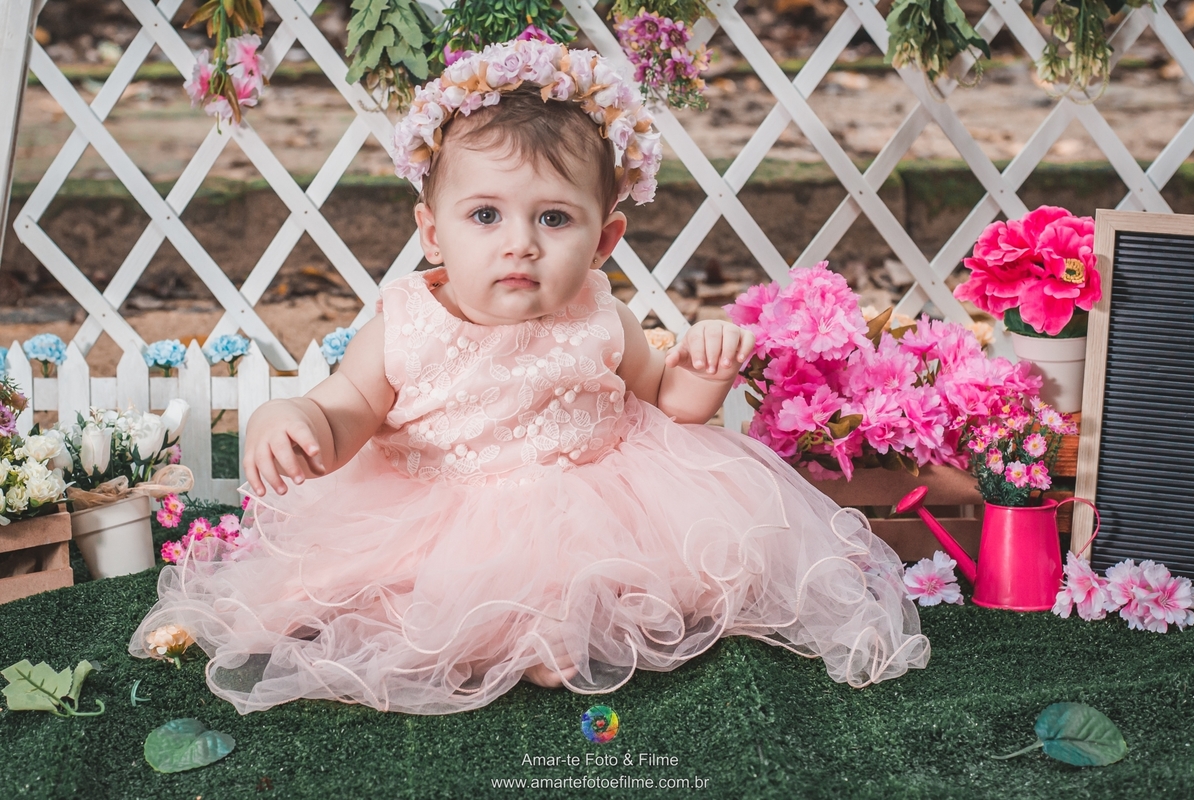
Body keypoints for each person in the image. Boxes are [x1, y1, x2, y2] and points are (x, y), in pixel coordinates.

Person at [129, 39, 929, 715]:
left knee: (659, 578)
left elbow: (670, 403)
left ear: (605, 236)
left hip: (599, 496)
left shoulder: (598, 315)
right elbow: (345, 411)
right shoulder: (406, 322)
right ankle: (509, 632)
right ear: (432, 231)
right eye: (486, 216)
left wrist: (706, 368)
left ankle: (562, 628)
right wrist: (293, 419)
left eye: (554, 218)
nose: (521, 244)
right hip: (444, 506)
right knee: (392, 602)